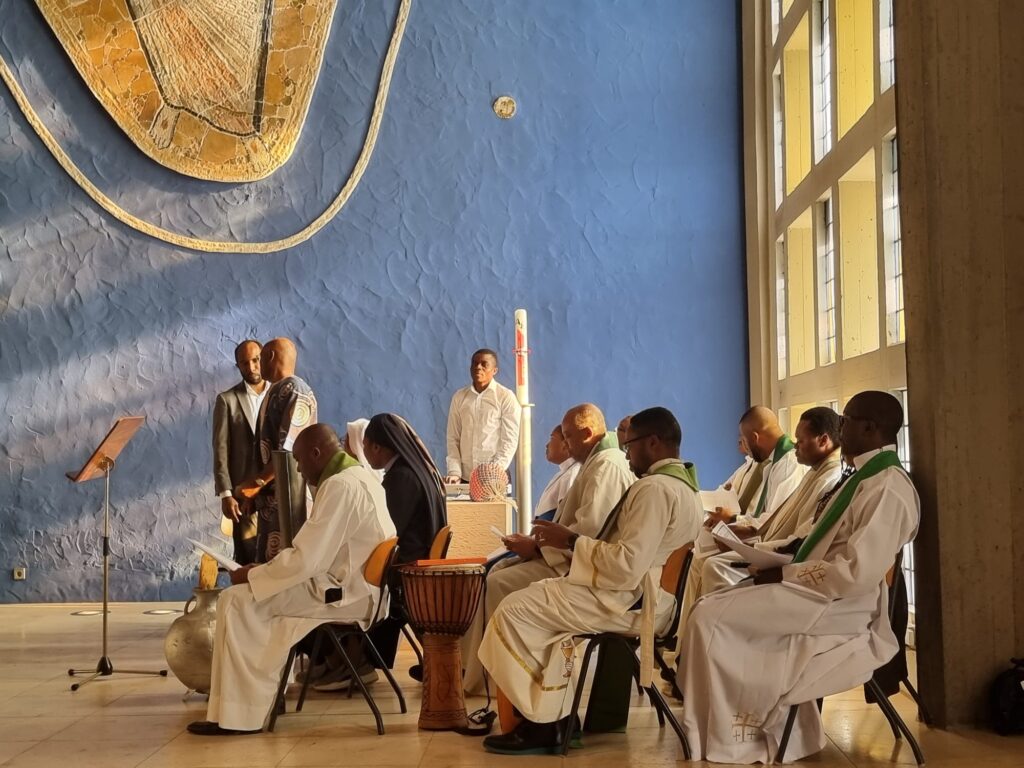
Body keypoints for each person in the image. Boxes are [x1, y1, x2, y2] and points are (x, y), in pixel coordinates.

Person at [678, 392, 920, 763]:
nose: (841, 427)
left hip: (843, 607)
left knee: (711, 620)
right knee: (707, 607)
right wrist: (771, 560)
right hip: (818, 592)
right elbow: (812, 538)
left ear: (871, 428)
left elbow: (857, 572)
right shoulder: (864, 478)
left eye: (848, 419)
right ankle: (718, 729)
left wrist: (786, 572)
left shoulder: (888, 487)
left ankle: (741, 736)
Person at [478, 407, 704, 755]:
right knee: (539, 605)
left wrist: (569, 541)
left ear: (654, 443)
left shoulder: (655, 490)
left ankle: (544, 723)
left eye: (631, 446)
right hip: (642, 598)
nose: (627, 455)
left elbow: (627, 564)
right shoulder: (685, 488)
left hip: (628, 601)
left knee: (514, 610)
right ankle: (555, 716)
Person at [186, 424, 396, 736]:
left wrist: (252, 574)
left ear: (316, 453)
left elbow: (307, 559)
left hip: (342, 595)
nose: (297, 468)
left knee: (236, 601)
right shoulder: (359, 476)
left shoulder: (340, 486)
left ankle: (242, 717)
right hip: (353, 588)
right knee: (244, 599)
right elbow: (312, 555)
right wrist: (263, 573)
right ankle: (234, 710)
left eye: (299, 460)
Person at [461, 404, 632, 696]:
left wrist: (538, 548)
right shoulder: (595, 461)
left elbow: (588, 533)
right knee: (495, 571)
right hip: (564, 560)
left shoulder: (606, 466)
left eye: (567, 437)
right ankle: (476, 671)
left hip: (582, 573)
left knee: (498, 582)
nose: (565, 444)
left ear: (588, 434)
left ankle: (499, 680)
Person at [680, 407, 844, 630]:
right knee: (700, 554)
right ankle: (690, 637)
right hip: (767, 542)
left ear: (824, 440)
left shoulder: (822, 473)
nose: (796, 445)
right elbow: (779, 518)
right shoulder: (814, 470)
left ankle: (721, 634)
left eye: (801, 439)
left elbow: (802, 534)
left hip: (784, 556)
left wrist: (749, 537)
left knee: (713, 565)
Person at [236, 338, 318, 563]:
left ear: (270, 356)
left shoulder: (296, 390)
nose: (256, 365)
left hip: (291, 499)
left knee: (287, 567)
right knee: (270, 567)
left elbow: (288, 451)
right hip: (273, 502)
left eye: (259, 358)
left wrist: (257, 484)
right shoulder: (276, 391)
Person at [212, 339, 268, 565]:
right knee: (247, 559)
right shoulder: (227, 400)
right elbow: (220, 448)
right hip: (242, 496)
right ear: (238, 366)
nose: (252, 367)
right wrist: (226, 495)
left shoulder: (278, 394)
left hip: (276, 492)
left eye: (256, 360)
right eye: (245, 363)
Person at [706, 406, 804, 530]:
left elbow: (774, 521)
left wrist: (732, 519)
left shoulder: (788, 465)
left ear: (754, 438)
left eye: (744, 440)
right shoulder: (766, 461)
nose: (745, 448)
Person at [445, 349, 521, 484]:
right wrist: (454, 472)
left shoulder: (505, 397)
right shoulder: (459, 397)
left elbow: (509, 441)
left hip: (494, 477)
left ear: (494, 370)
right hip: (464, 477)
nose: (478, 367)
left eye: (484, 364)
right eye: (474, 363)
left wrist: (492, 471)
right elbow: (453, 438)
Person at [534, 424, 581, 521]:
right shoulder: (563, 474)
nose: (547, 445)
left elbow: (565, 517)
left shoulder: (572, 474)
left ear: (565, 444)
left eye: (552, 438)